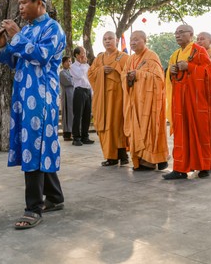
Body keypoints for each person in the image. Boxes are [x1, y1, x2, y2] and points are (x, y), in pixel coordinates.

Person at [0, 0, 66, 229]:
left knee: (34, 145)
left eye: (25, 3)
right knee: (35, 144)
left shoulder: (53, 28)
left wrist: (16, 36)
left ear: (40, 4)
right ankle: (55, 197)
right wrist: (1, 45)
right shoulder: (26, 29)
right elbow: (15, 61)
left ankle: (33, 208)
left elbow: (41, 56)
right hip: (24, 96)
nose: (21, 7)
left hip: (42, 97)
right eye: (20, 3)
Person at [164, 25, 211, 180]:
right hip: (180, 101)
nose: (177, 35)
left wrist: (189, 66)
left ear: (190, 34)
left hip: (197, 101)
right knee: (181, 134)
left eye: (181, 32)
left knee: (200, 132)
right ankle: (180, 169)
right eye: (176, 33)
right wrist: (171, 72)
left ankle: (205, 166)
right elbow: (171, 77)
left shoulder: (199, 51)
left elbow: (208, 73)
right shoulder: (176, 54)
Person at [121, 31, 169, 171]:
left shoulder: (152, 56)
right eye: (131, 39)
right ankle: (141, 160)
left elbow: (158, 79)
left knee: (149, 129)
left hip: (149, 104)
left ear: (145, 40)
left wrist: (138, 74)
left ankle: (150, 161)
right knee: (137, 130)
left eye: (136, 39)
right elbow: (123, 75)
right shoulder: (130, 59)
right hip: (134, 103)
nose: (132, 42)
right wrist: (128, 77)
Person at [89, 31, 129, 166]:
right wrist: (101, 70)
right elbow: (90, 73)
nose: (107, 41)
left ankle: (121, 155)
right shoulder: (99, 58)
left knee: (117, 126)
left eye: (110, 38)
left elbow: (128, 74)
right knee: (105, 125)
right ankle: (111, 156)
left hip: (118, 98)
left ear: (116, 40)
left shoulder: (124, 57)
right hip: (102, 99)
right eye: (105, 39)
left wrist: (115, 70)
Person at [70, 46, 94, 146]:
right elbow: (79, 75)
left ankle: (85, 136)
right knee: (78, 115)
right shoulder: (73, 66)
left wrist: (92, 92)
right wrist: (83, 64)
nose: (85, 54)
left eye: (85, 52)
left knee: (87, 115)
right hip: (79, 91)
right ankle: (76, 137)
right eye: (83, 53)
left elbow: (90, 79)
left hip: (87, 91)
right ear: (77, 55)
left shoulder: (87, 65)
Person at [59, 56, 74, 141]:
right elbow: (69, 82)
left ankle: (71, 132)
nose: (69, 63)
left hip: (72, 95)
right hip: (66, 96)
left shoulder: (70, 72)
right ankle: (66, 134)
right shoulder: (62, 73)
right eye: (68, 61)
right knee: (67, 114)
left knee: (71, 114)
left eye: (70, 61)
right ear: (63, 63)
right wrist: (75, 79)